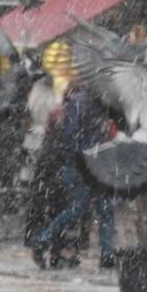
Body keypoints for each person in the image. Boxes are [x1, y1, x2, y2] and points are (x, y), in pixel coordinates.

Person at [31, 81, 115, 269]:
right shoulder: (81, 104)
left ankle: (107, 255)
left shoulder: (99, 106)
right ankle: (43, 239)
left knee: (103, 209)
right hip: (82, 165)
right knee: (80, 209)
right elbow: (71, 137)